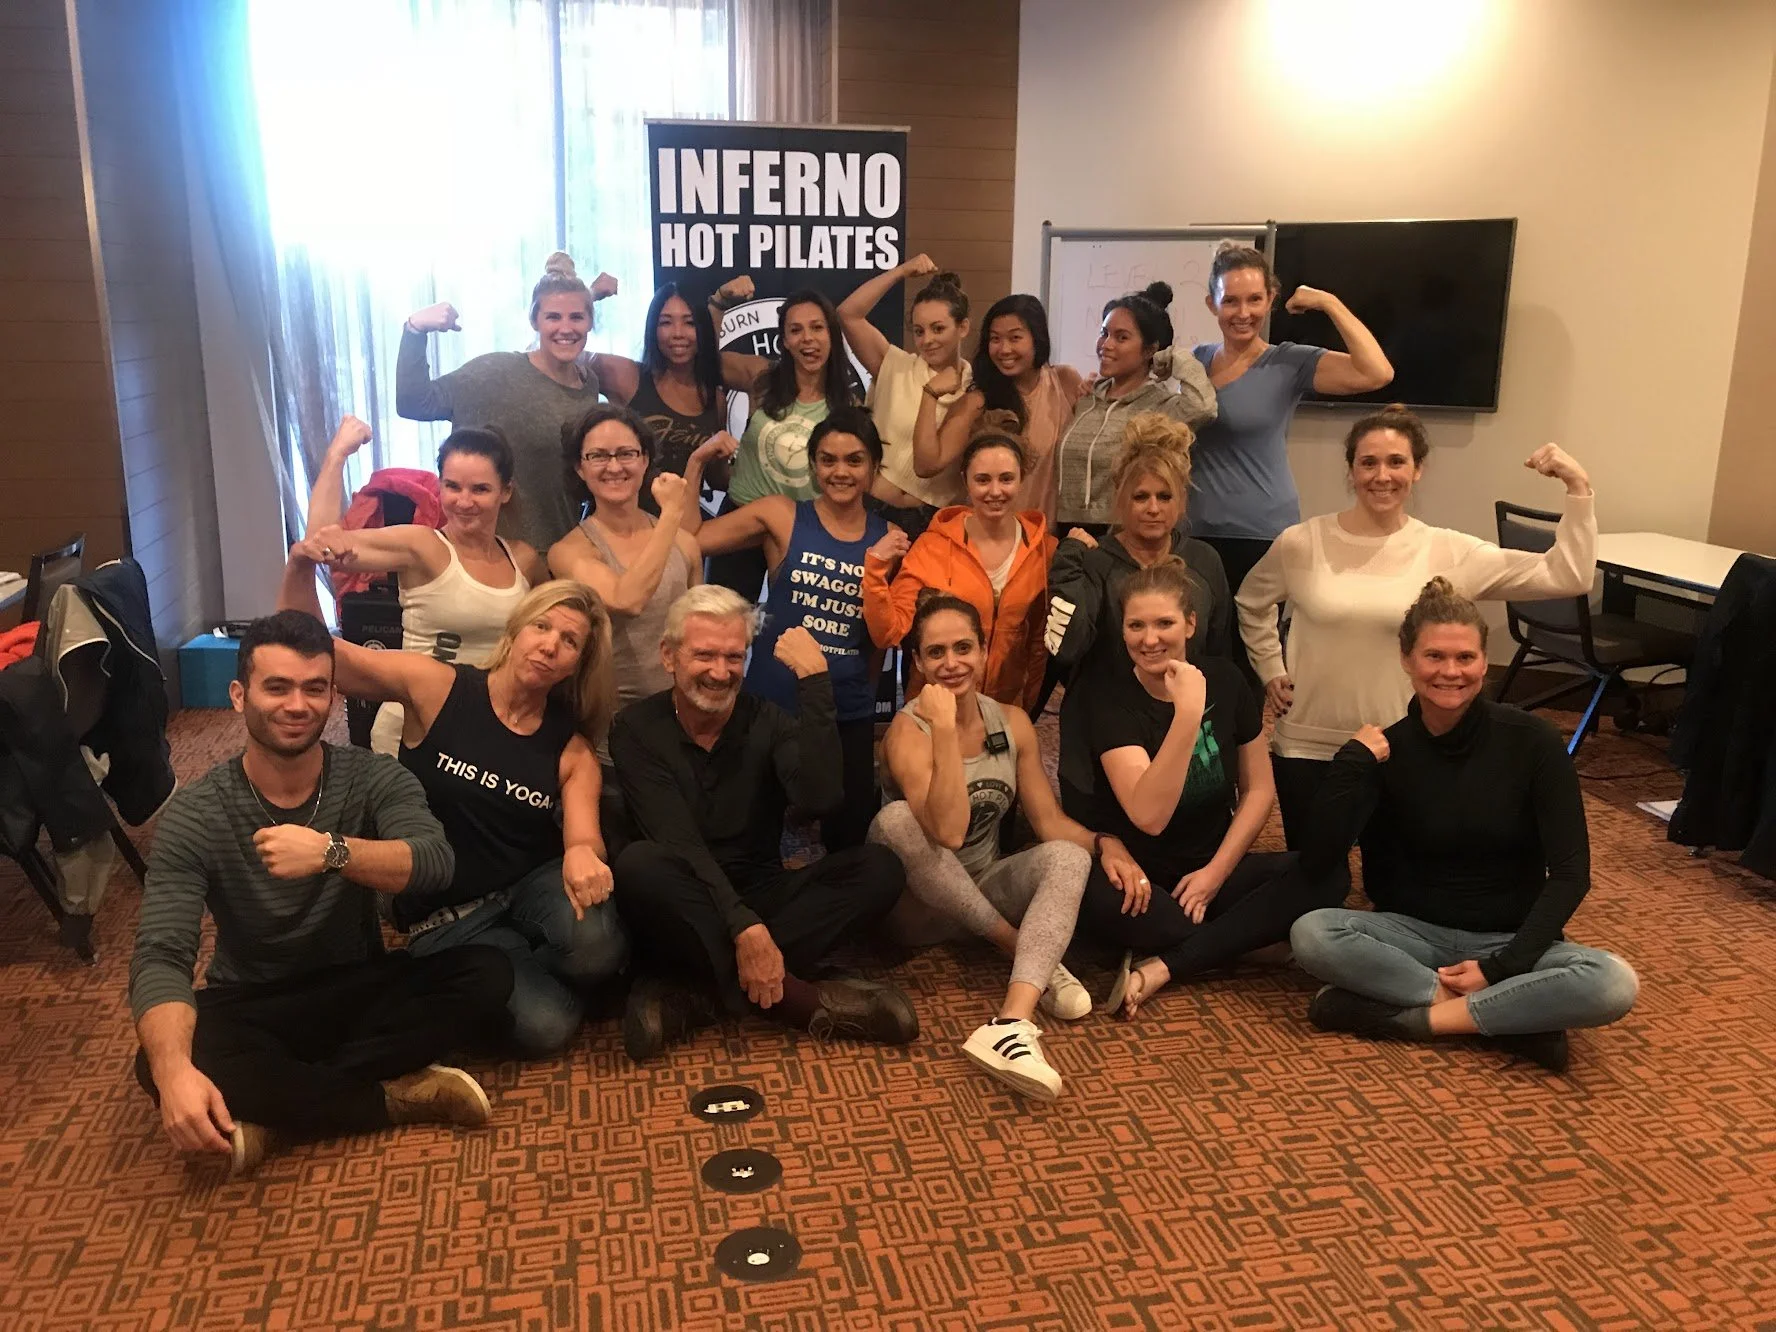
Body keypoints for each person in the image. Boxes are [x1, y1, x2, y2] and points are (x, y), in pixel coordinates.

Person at [129, 611, 514, 1177]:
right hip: (255, 1001)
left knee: (488, 974)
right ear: (239, 696)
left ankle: (275, 1111)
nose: (297, 705)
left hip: (353, 986)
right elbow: (162, 953)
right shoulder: (197, 813)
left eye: (315, 688)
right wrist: (171, 1072)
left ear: (333, 698)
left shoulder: (370, 775)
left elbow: (434, 861)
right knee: (156, 1061)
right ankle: (390, 1097)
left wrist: (333, 851)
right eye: (277, 687)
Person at [281, 554, 627, 1057]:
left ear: (577, 663)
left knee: (598, 949)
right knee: (550, 1026)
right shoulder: (438, 687)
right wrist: (298, 567)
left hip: (528, 884)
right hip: (444, 912)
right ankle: (510, 968)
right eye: (542, 626)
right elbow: (319, 654)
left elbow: (582, 836)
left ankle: (527, 962)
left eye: (569, 641)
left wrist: (581, 853)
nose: (550, 644)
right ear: (516, 631)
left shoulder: (572, 751)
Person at [1290, 578, 1640, 1074]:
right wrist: (1350, 764)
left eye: (1465, 658)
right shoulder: (1385, 750)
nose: (1450, 672)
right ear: (1407, 659)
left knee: (1612, 982)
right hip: (1409, 934)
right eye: (1434, 657)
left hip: (1508, 937)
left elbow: (1570, 873)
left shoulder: (1533, 742)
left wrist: (1503, 967)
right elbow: (1319, 858)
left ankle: (1410, 1019)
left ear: (1483, 660)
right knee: (1312, 932)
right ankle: (1514, 1020)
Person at [1238, 406, 1598, 850]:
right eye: (1368, 462)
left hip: (1402, 747)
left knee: (1393, 886)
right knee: (1313, 878)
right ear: (1351, 470)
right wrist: (1271, 667)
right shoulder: (1301, 543)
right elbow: (1251, 603)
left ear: (1418, 469)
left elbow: (1568, 577)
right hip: (1308, 744)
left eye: (1396, 461)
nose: (1382, 475)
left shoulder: (1445, 549)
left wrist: (1578, 488)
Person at [610, 586, 917, 1062]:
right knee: (639, 866)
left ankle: (700, 995)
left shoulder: (768, 720)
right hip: (684, 898)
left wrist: (815, 683)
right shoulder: (634, 728)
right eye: (704, 655)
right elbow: (680, 843)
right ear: (668, 656)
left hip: (763, 891)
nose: (720, 672)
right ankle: (797, 1000)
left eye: (734, 656)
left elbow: (821, 798)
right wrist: (745, 930)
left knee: (881, 868)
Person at [870, 594, 1144, 1102]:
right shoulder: (907, 732)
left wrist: (1107, 843)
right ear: (918, 662)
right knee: (898, 820)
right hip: (918, 909)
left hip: (986, 889)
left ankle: (1012, 1022)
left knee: (1069, 855)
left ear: (983, 651)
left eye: (963, 648)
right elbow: (948, 833)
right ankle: (1023, 949)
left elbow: (1047, 821)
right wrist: (946, 727)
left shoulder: (1012, 722)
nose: (951, 664)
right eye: (935, 653)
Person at [1066, 558, 1339, 1017]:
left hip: (1209, 870)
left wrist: (1215, 875)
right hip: (1141, 881)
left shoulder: (1228, 680)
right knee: (1099, 904)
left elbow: (1257, 792)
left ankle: (1166, 965)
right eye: (1136, 625)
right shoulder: (1109, 698)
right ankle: (1242, 943)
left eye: (1164, 623)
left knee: (1330, 874)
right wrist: (1188, 714)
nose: (1150, 639)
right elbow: (1149, 817)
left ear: (1190, 624)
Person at [692, 408, 893, 852]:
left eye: (854, 460)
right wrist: (695, 467)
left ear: (874, 467)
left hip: (846, 709)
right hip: (772, 703)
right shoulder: (781, 515)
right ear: (814, 464)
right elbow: (691, 538)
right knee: (748, 831)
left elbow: (880, 635)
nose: (840, 471)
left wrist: (866, 692)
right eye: (828, 459)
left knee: (850, 835)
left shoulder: (888, 537)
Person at [1188, 243, 1393, 638]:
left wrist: (1329, 303)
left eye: (1254, 299)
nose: (1243, 313)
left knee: (1251, 650)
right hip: (1193, 531)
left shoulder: (1288, 362)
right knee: (1199, 649)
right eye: (1230, 301)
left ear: (1271, 300)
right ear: (1212, 304)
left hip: (1260, 533)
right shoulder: (1193, 362)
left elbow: (1377, 372)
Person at [304, 416, 541, 755]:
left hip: (488, 728)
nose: (464, 501)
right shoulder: (423, 546)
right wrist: (337, 455)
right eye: (452, 486)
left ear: (505, 492)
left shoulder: (524, 559)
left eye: (480, 489)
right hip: (415, 729)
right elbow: (322, 544)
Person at [1047, 413, 1231, 813]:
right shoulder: (1096, 563)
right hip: (1103, 739)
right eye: (1140, 497)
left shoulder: (1204, 562)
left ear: (1182, 499)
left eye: (1164, 497)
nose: (1153, 509)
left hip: (1180, 731)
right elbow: (1065, 649)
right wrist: (1069, 563)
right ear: (1119, 498)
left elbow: (1219, 659)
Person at [397, 251, 617, 551]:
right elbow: (414, 402)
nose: (565, 328)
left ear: (590, 322)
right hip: (493, 561)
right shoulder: (494, 373)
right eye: (553, 317)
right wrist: (415, 329)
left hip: (561, 555)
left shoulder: (589, 383)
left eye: (576, 317)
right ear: (534, 321)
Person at [547, 404, 703, 764]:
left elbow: (698, 634)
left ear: (645, 460)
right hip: (610, 741)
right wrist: (673, 514)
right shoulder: (569, 551)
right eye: (598, 456)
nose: (614, 466)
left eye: (627, 453)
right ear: (579, 467)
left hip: (683, 729)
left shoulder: (685, 545)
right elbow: (627, 599)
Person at [862, 423, 1055, 711]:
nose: (995, 491)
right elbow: (888, 632)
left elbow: (1038, 645)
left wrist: (1024, 710)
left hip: (1001, 710)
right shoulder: (932, 546)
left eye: (1006, 479)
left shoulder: (1044, 550)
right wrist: (876, 569)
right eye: (982, 480)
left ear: (1021, 480)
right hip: (936, 709)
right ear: (966, 481)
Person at [706, 286, 856, 597]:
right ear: (784, 340)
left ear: (832, 334)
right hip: (740, 519)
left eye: (817, 327)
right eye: (795, 330)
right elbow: (704, 359)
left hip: (800, 530)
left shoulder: (847, 405)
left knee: (788, 629)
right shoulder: (762, 379)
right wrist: (719, 302)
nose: (807, 339)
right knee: (722, 620)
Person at [1053, 282, 1217, 533]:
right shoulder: (1086, 399)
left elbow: (1203, 407)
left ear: (1150, 349)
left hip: (1123, 534)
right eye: (1104, 332)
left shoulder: (1161, 407)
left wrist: (1173, 357)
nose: (1106, 345)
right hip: (1066, 530)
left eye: (1121, 338)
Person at [914, 294, 1086, 526]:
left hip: (1051, 538)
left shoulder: (1065, 381)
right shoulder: (978, 401)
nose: (1004, 349)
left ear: (1037, 338)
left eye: (1015, 338)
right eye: (995, 339)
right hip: (992, 535)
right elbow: (926, 465)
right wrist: (930, 394)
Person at [837, 254, 972, 535]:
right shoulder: (894, 365)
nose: (927, 340)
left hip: (934, 522)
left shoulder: (975, 390)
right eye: (919, 331)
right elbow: (848, 314)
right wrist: (899, 272)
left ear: (963, 328)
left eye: (938, 328)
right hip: (872, 510)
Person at [588, 281, 739, 487]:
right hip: (626, 515)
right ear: (653, 328)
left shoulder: (714, 398)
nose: (678, 333)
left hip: (684, 517)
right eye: (666, 322)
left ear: (703, 329)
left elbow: (716, 480)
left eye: (690, 323)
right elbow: (562, 352)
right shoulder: (627, 376)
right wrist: (589, 296)